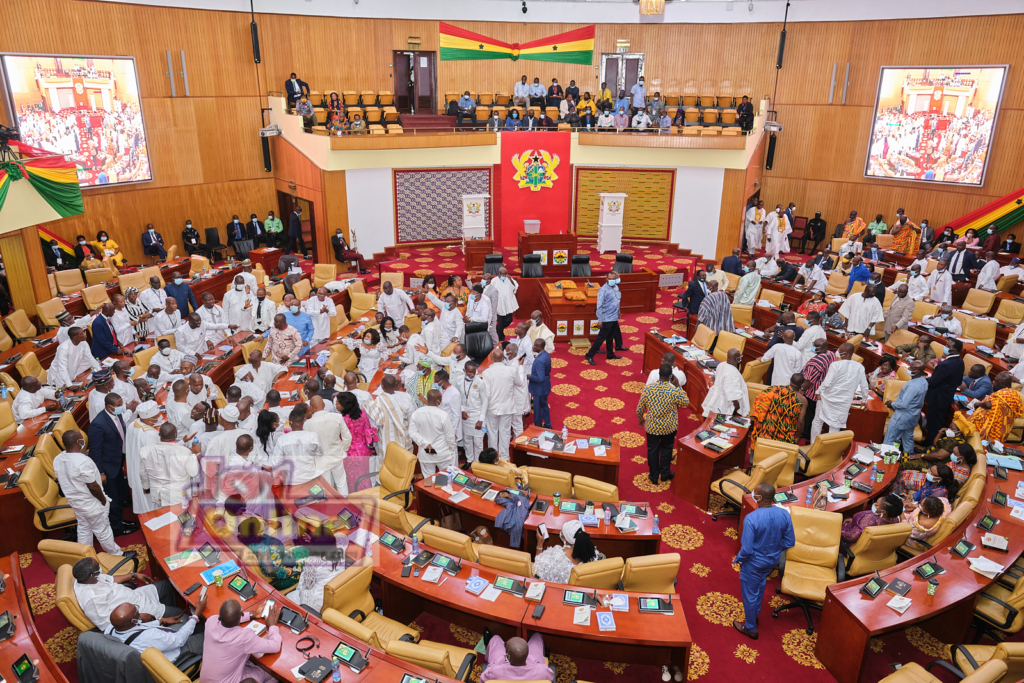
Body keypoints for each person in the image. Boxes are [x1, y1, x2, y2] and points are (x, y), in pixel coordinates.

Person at [733, 482, 795, 640]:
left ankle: (750, 628)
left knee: (750, 594)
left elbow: (746, 550)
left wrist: (738, 559)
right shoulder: (784, 514)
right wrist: (773, 550)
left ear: (759, 497)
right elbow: (789, 542)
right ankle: (755, 616)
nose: (752, 494)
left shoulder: (751, 518)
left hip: (753, 563)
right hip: (771, 561)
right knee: (759, 586)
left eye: (755, 492)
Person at [55, 431, 122, 556]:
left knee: (84, 529)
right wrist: (103, 500)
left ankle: (86, 557)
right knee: (103, 530)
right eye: (81, 439)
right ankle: (117, 555)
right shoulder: (83, 461)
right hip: (91, 503)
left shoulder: (58, 458)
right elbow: (93, 486)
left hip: (76, 503)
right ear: (78, 442)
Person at [72, 557, 180, 632]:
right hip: (139, 610)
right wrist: (139, 618)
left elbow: (111, 579)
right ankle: (167, 623)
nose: (100, 569)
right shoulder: (92, 599)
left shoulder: (88, 578)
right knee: (181, 615)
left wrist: (134, 575)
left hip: (136, 595)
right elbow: (109, 625)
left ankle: (167, 615)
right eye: (98, 568)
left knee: (167, 585)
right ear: (92, 575)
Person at [89, 393, 138, 538]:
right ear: (109, 407)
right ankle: (117, 528)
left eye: (121, 404)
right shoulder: (98, 424)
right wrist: (101, 472)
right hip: (107, 467)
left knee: (119, 494)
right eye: (118, 405)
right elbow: (95, 451)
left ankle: (121, 520)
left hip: (117, 461)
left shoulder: (117, 415)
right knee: (112, 499)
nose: (121, 407)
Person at [201, 599, 282, 683]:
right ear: (242, 614)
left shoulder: (210, 621)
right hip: (229, 681)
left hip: (205, 679)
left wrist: (253, 614)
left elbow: (227, 618)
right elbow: (275, 646)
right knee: (271, 674)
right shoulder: (244, 637)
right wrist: (272, 625)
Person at [636, 364, 689, 485]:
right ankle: (665, 474)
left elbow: (639, 409)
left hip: (652, 427)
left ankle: (653, 476)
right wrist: (678, 385)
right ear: (671, 376)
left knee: (652, 450)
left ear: (659, 374)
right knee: (667, 449)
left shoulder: (648, 389)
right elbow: (686, 402)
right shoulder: (674, 391)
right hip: (668, 428)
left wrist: (640, 419)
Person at [811, 343, 868, 442]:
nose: (837, 351)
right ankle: (830, 450)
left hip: (826, 399)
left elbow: (827, 383)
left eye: (839, 350)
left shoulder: (835, 365)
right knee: (835, 427)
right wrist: (864, 399)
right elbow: (864, 385)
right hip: (843, 402)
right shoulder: (860, 367)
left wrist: (818, 392)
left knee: (818, 421)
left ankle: (812, 445)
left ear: (845, 353)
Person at [478, 347, 525, 460]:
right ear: (503, 358)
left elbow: (487, 394)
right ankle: (504, 457)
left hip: (492, 408)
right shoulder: (512, 370)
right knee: (505, 432)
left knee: (492, 434)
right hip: (507, 407)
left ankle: (493, 457)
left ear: (492, 359)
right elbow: (519, 383)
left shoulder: (486, 373)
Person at [140, 423, 200, 507]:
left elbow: (143, 473)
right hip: (177, 496)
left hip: (158, 494)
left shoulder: (145, 450)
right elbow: (193, 472)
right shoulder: (185, 452)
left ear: (159, 434)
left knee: (162, 516)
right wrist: (195, 454)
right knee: (179, 518)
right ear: (176, 434)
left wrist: (146, 486)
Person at [302, 396, 352, 493]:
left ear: (311, 407)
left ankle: (331, 507)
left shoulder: (307, 424)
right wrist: (343, 449)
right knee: (341, 483)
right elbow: (347, 437)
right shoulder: (337, 417)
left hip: (321, 461)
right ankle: (346, 505)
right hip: (337, 455)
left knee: (327, 487)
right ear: (324, 405)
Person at [923, 340, 965, 448]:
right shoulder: (960, 361)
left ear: (955, 350)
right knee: (938, 422)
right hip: (947, 396)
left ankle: (930, 447)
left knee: (934, 423)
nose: (945, 347)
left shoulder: (945, 364)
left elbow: (933, 382)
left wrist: (927, 379)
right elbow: (959, 381)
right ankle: (929, 442)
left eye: (948, 346)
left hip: (937, 397)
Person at [882, 360, 928, 454]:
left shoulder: (913, 386)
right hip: (913, 416)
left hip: (901, 416)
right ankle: (908, 460)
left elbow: (903, 405)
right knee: (908, 440)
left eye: (912, 368)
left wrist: (892, 404)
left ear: (918, 371)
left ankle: (886, 461)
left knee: (889, 440)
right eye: (910, 367)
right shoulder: (923, 381)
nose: (909, 369)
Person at [410, 389, 458, 475]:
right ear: (438, 401)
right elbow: (450, 437)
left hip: (426, 453)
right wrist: (451, 451)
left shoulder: (416, 413)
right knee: (446, 479)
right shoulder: (443, 415)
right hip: (443, 454)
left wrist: (425, 444)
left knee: (428, 481)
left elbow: (412, 433)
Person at [750, 373, 806, 445]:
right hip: (786, 437)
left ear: (790, 380)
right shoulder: (802, 400)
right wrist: (798, 436)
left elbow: (760, 400)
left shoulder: (774, 390)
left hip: (767, 432)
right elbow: (800, 421)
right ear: (802, 385)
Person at [969, 372, 1023, 442]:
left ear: (1003, 384)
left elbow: (990, 405)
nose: (993, 382)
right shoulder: (1007, 392)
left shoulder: (1007, 394)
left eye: (996, 381)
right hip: (991, 421)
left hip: (998, 427)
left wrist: (978, 404)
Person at [481, 633, 554, 683]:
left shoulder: (494, 671)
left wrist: (502, 658)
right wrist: (533, 660)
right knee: (536, 636)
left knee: (495, 638)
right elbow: (551, 678)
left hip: (502, 662)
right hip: (532, 663)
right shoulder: (542, 670)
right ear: (528, 654)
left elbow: (483, 680)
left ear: (507, 657)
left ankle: (488, 646)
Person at [584, 272, 622, 365]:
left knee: (610, 337)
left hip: (614, 317)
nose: (613, 280)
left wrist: (618, 312)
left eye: (614, 278)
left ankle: (610, 354)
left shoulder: (616, 287)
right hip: (606, 318)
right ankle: (589, 355)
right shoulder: (603, 290)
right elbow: (599, 306)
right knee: (601, 338)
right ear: (607, 279)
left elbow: (617, 301)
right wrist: (600, 320)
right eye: (611, 279)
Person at [702, 348, 749, 417]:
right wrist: (737, 406)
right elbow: (732, 395)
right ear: (737, 359)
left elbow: (715, 378)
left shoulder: (722, 364)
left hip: (715, 399)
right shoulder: (732, 373)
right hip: (724, 405)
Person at [489, 267, 519, 343]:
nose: (503, 275)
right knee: (500, 321)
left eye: (505, 274)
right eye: (502, 274)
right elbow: (490, 291)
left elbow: (515, 286)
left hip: (508, 303)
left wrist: (511, 280)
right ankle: (501, 338)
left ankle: (497, 328)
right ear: (498, 273)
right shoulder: (494, 281)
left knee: (509, 320)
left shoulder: (508, 279)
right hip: (499, 304)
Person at [528, 337, 552, 428]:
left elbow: (540, 378)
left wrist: (529, 376)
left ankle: (537, 428)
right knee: (544, 406)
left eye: (535, 345)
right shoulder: (546, 355)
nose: (533, 347)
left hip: (539, 389)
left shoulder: (539, 361)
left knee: (538, 410)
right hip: (545, 386)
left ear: (540, 347)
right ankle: (548, 424)